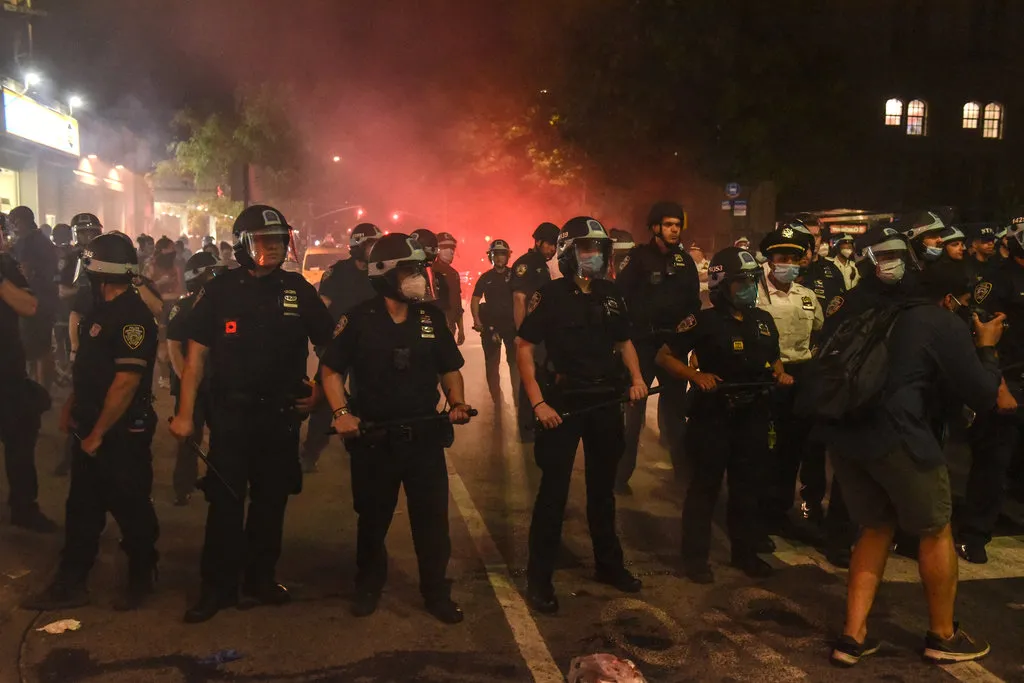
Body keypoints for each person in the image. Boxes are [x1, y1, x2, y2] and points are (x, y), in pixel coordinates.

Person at [826, 259, 1003, 667]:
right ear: (948, 298)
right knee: (935, 528)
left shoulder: (883, 311)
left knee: (874, 527)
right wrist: (988, 347)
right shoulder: (942, 321)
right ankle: (943, 635)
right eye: (961, 300)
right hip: (898, 435)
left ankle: (852, 637)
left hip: (850, 434)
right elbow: (980, 392)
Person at [169, 205, 333, 624]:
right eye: (265, 240)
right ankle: (216, 589)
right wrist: (185, 415)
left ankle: (261, 578)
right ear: (243, 245)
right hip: (231, 417)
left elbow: (331, 348)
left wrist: (319, 392)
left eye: (279, 240)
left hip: (280, 418)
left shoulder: (298, 289)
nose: (274, 248)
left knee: (271, 502)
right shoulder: (220, 290)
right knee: (224, 503)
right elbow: (195, 359)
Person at [320, 233, 474, 624]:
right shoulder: (357, 320)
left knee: (433, 524)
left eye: (419, 270)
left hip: (423, 438)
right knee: (372, 520)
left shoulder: (431, 317)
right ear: (384, 274)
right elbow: (331, 370)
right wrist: (341, 413)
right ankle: (368, 586)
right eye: (409, 271)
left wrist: (456, 402)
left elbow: (449, 368)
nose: (418, 278)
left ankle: (436, 592)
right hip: (374, 439)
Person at [516, 216, 647, 615]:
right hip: (563, 401)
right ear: (569, 253)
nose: (595, 256)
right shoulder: (550, 295)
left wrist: (637, 379)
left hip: (605, 399)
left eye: (599, 250)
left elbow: (624, 341)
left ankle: (609, 565)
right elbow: (524, 348)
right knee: (553, 493)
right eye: (587, 249)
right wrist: (538, 402)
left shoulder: (611, 293)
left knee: (602, 490)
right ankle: (539, 580)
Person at [22, 232, 160, 611]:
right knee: (81, 510)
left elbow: (126, 382)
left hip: (121, 433)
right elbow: (92, 370)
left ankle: (140, 577)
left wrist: (98, 432)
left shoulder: (133, 318)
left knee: (130, 507)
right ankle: (70, 584)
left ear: (102, 272)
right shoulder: (99, 310)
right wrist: (75, 407)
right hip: (90, 427)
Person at [656, 246, 791, 582]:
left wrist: (779, 373)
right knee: (705, 488)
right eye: (740, 282)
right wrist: (696, 376)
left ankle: (744, 554)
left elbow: (773, 358)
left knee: (747, 487)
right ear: (721, 284)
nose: (748, 287)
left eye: (751, 280)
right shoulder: (702, 321)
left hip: (753, 415)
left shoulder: (763, 320)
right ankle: (695, 560)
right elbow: (665, 356)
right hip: (713, 415)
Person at [615, 201, 700, 492]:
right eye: (668, 224)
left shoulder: (685, 262)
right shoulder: (637, 259)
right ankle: (619, 476)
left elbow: (694, 306)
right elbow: (619, 299)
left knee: (675, 416)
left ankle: (684, 477)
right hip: (640, 346)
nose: (674, 230)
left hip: (673, 348)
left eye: (677, 225)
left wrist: (689, 343)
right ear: (654, 227)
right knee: (632, 414)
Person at [957, 215, 1024, 564]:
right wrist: (998, 387)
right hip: (1007, 379)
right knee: (992, 465)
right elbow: (981, 332)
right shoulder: (997, 281)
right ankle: (974, 534)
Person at [756, 225, 825, 541]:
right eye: (782, 257)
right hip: (766, 378)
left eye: (794, 258)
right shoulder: (754, 293)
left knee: (791, 451)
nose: (788, 263)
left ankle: (779, 512)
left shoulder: (808, 296)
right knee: (763, 452)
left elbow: (818, 334)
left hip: (801, 379)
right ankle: (756, 513)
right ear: (770, 259)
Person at [299, 222, 381, 473]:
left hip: (369, 346)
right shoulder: (336, 274)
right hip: (338, 345)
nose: (373, 249)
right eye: (369, 244)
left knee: (367, 398)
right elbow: (321, 310)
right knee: (324, 400)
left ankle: (364, 446)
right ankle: (311, 452)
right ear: (357, 246)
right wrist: (323, 345)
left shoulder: (379, 273)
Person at [0, 215, 57, 532]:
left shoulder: (6, 266)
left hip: (7, 372)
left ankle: (24, 506)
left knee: (21, 439)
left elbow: (30, 306)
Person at [166, 252, 225, 506]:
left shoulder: (224, 306)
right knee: (189, 438)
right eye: (211, 273)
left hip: (219, 385)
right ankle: (183, 486)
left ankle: (219, 482)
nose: (217, 278)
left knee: (224, 437)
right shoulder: (183, 308)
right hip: (192, 387)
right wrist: (190, 383)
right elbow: (173, 348)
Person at [510, 222, 560, 442]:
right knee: (529, 376)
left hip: (543, 332)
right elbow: (519, 298)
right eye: (550, 245)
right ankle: (527, 427)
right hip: (531, 333)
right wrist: (522, 332)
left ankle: (539, 421)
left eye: (556, 245)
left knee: (543, 374)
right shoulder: (525, 263)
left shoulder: (542, 264)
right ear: (538, 242)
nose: (553, 250)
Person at [9, 206, 58, 389]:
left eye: (14, 223)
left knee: (36, 350)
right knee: (43, 347)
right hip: (48, 299)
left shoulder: (27, 242)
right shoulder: (43, 241)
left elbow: (25, 273)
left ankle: (38, 390)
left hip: (33, 301)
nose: (13, 227)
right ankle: (44, 390)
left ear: (21, 222)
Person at [471, 239, 519, 405]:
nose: (499, 258)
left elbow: (522, 297)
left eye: (502, 255)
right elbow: (475, 299)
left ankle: (518, 398)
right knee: (492, 365)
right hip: (491, 328)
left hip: (512, 327)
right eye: (495, 254)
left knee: (515, 364)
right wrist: (477, 319)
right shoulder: (485, 278)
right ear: (490, 257)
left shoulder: (514, 275)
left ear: (508, 257)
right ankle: (497, 400)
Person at [145, 237, 185, 390]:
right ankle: (163, 376)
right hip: (159, 309)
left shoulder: (176, 267)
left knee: (175, 341)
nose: (173, 252)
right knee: (162, 345)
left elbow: (181, 288)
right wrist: (159, 283)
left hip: (174, 307)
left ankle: (175, 375)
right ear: (161, 251)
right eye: (170, 248)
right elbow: (144, 287)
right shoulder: (151, 267)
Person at [431, 231, 465, 345]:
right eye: (445, 247)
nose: (450, 251)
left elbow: (457, 303)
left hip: (450, 326)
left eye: (452, 248)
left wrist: (461, 329)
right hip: (434, 326)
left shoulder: (453, 274)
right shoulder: (430, 271)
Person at [53, 223, 76, 376]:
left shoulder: (52, 252)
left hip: (58, 301)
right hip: (67, 301)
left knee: (62, 337)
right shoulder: (73, 253)